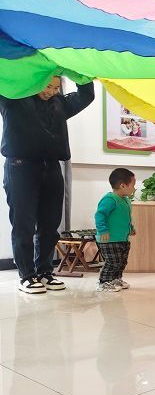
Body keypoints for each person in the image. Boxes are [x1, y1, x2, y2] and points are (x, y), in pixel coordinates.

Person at [0, 76, 95, 294]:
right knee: (23, 224)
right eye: (47, 86)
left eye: (56, 87)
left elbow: (86, 95)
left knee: (50, 225)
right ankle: (27, 275)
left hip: (52, 166)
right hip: (21, 166)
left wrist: (79, 73)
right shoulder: (13, 98)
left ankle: (45, 271)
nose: (51, 91)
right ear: (36, 79)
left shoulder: (60, 104)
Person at [94, 168, 136, 292]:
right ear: (123, 185)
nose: (134, 188)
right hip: (110, 239)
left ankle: (115, 279)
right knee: (112, 261)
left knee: (121, 261)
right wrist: (103, 231)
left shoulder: (126, 200)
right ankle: (104, 282)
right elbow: (100, 215)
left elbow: (126, 218)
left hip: (123, 238)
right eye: (133, 185)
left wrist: (131, 228)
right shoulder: (110, 199)